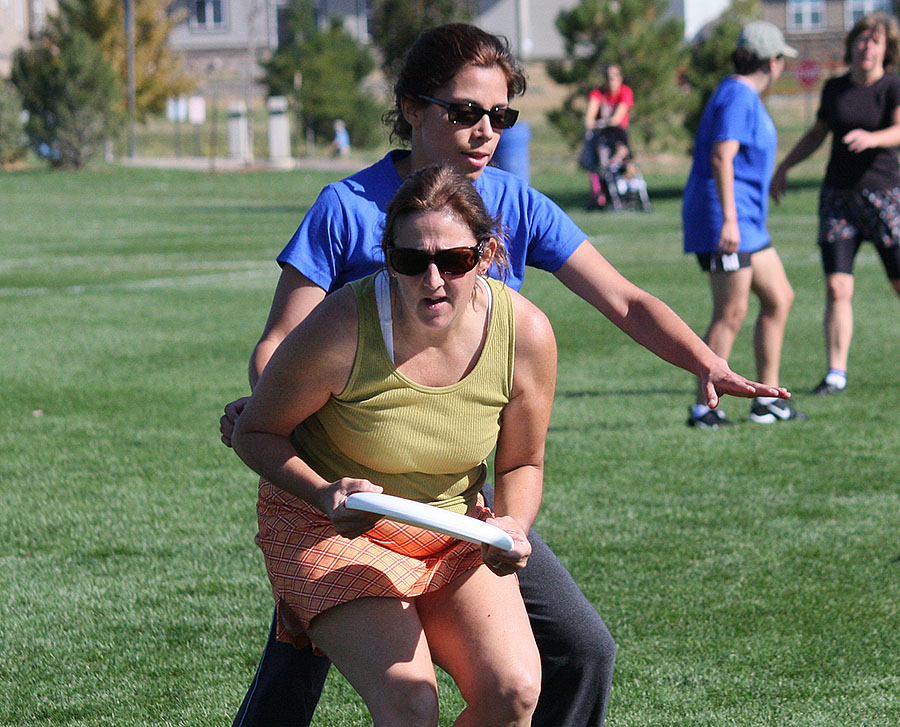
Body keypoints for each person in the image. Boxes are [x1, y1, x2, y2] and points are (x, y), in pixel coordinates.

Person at [222, 23, 789, 727]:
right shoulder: (348, 208)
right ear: (411, 109)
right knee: (311, 663)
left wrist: (705, 360)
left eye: (500, 115)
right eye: (465, 112)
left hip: (448, 494)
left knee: (579, 650)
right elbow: (280, 340)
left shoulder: (513, 205)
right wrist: (269, 413)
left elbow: (624, 299)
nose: (484, 130)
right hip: (343, 487)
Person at [231, 163, 555, 726]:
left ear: (486, 253)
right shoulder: (345, 322)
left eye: (453, 261)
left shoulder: (524, 332)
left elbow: (523, 461)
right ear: (387, 256)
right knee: (410, 702)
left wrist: (514, 524)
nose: (433, 280)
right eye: (411, 261)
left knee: (513, 691)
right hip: (329, 525)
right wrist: (325, 492)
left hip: (450, 528)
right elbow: (254, 431)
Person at [682, 21, 807, 428]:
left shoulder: (743, 95)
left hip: (749, 220)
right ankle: (703, 409)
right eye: (781, 59)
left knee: (779, 297)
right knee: (731, 311)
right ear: (771, 60)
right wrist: (730, 220)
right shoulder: (737, 94)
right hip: (728, 221)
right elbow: (722, 157)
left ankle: (766, 400)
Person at [771, 12, 900, 395]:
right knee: (837, 288)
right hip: (838, 200)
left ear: (885, 48)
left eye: (874, 40)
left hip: (884, 196)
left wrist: (873, 139)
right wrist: (784, 167)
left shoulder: (893, 86)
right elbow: (817, 134)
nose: (866, 46)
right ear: (852, 45)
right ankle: (835, 374)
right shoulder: (835, 89)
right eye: (861, 39)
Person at [583, 64, 634, 208]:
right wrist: (596, 122)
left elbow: (617, 119)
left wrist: (600, 122)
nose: (611, 80)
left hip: (619, 136)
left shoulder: (625, 92)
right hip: (602, 138)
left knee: (622, 160)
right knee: (597, 160)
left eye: (615, 77)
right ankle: (599, 196)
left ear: (620, 78)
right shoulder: (598, 94)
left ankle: (626, 193)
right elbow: (589, 118)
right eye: (608, 77)